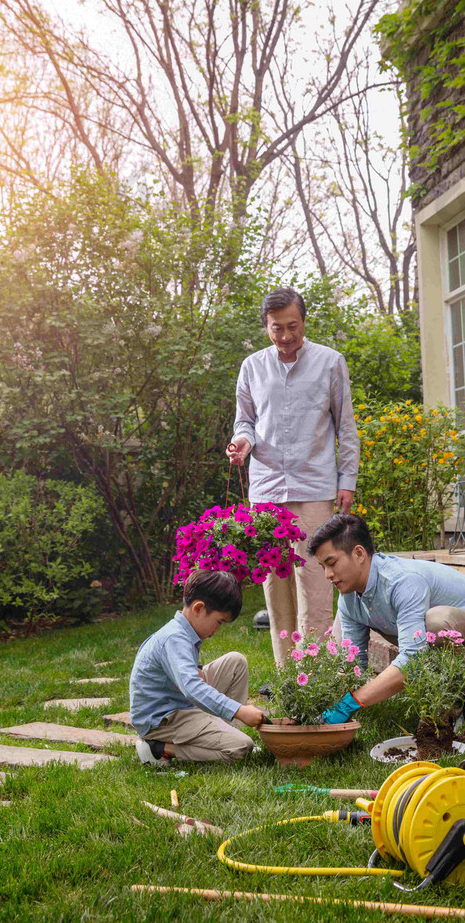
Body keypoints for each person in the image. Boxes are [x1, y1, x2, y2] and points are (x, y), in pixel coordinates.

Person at [227, 286, 359, 664]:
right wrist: (242, 443)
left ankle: (314, 675)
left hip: (314, 489)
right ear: (265, 327)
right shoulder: (253, 366)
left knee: (316, 585)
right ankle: (289, 676)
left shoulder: (330, 362)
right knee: (276, 589)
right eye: (276, 329)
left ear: (304, 321)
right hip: (266, 490)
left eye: (292, 327)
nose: (285, 337)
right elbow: (245, 421)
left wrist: (346, 480)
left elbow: (345, 426)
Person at [308, 513, 465, 724]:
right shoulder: (349, 596)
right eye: (322, 567)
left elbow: (413, 658)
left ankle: (454, 714)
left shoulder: (402, 581)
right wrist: (330, 707)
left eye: (332, 563)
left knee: (436, 623)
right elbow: (353, 664)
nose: (327, 574)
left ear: (359, 553)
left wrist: (353, 702)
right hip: (442, 643)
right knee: (423, 630)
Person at [129, 568, 266, 765]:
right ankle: (157, 748)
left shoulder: (182, 632)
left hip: (178, 702)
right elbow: (192, 688)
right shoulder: (174, 637)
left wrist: (198, 668)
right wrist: (239, 710)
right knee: (241, 748)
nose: (217, 630)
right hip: (162, 719)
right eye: (218, 622)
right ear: (198, 608)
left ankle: (224, 733)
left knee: (236, 662)